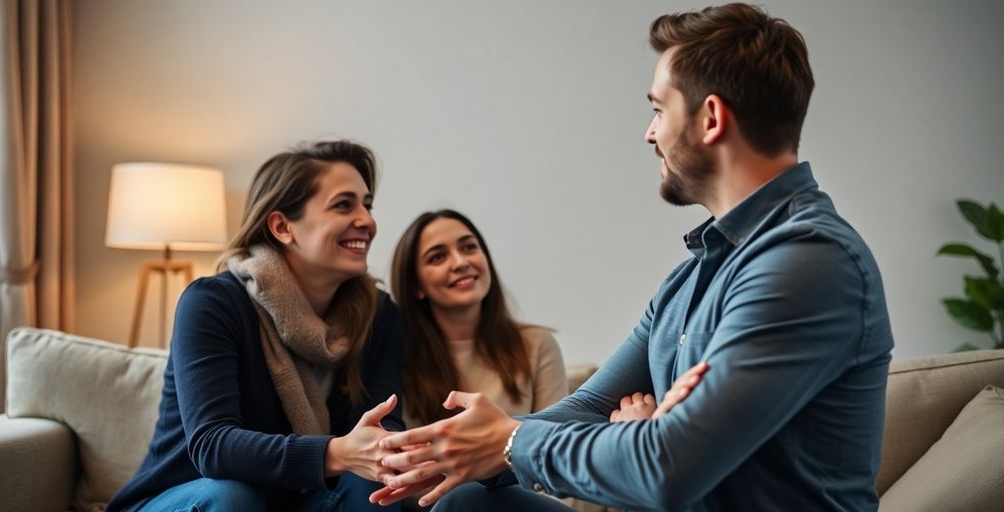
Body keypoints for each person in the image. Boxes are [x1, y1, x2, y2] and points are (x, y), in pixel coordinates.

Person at [370, 3, 894, 511]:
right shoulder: (691, 277)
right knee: (468, 503)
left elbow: (668, 465)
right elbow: (590, 407)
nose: (650, 133)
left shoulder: (809, 261)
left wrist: (512, 443)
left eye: (658, 109)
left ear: (710, 118)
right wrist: (449, 450)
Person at [107, 140, 406, 512]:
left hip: (297, 501)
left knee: (378, 492)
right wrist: (339, 452)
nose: (367, 220)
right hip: (188, 498)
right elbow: (212, 446)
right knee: (232, 497)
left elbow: (383, 423)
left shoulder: (379, 314)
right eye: (344, 205)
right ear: (282, 226)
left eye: (367, 204)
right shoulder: (213, 303)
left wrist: (395, 453)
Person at [390, 209, 567, 427]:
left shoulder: (537, 344)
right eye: (438, 257)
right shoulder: (396, 355)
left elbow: (553, 445)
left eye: (469, 247)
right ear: (415, 285)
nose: (461, 262)